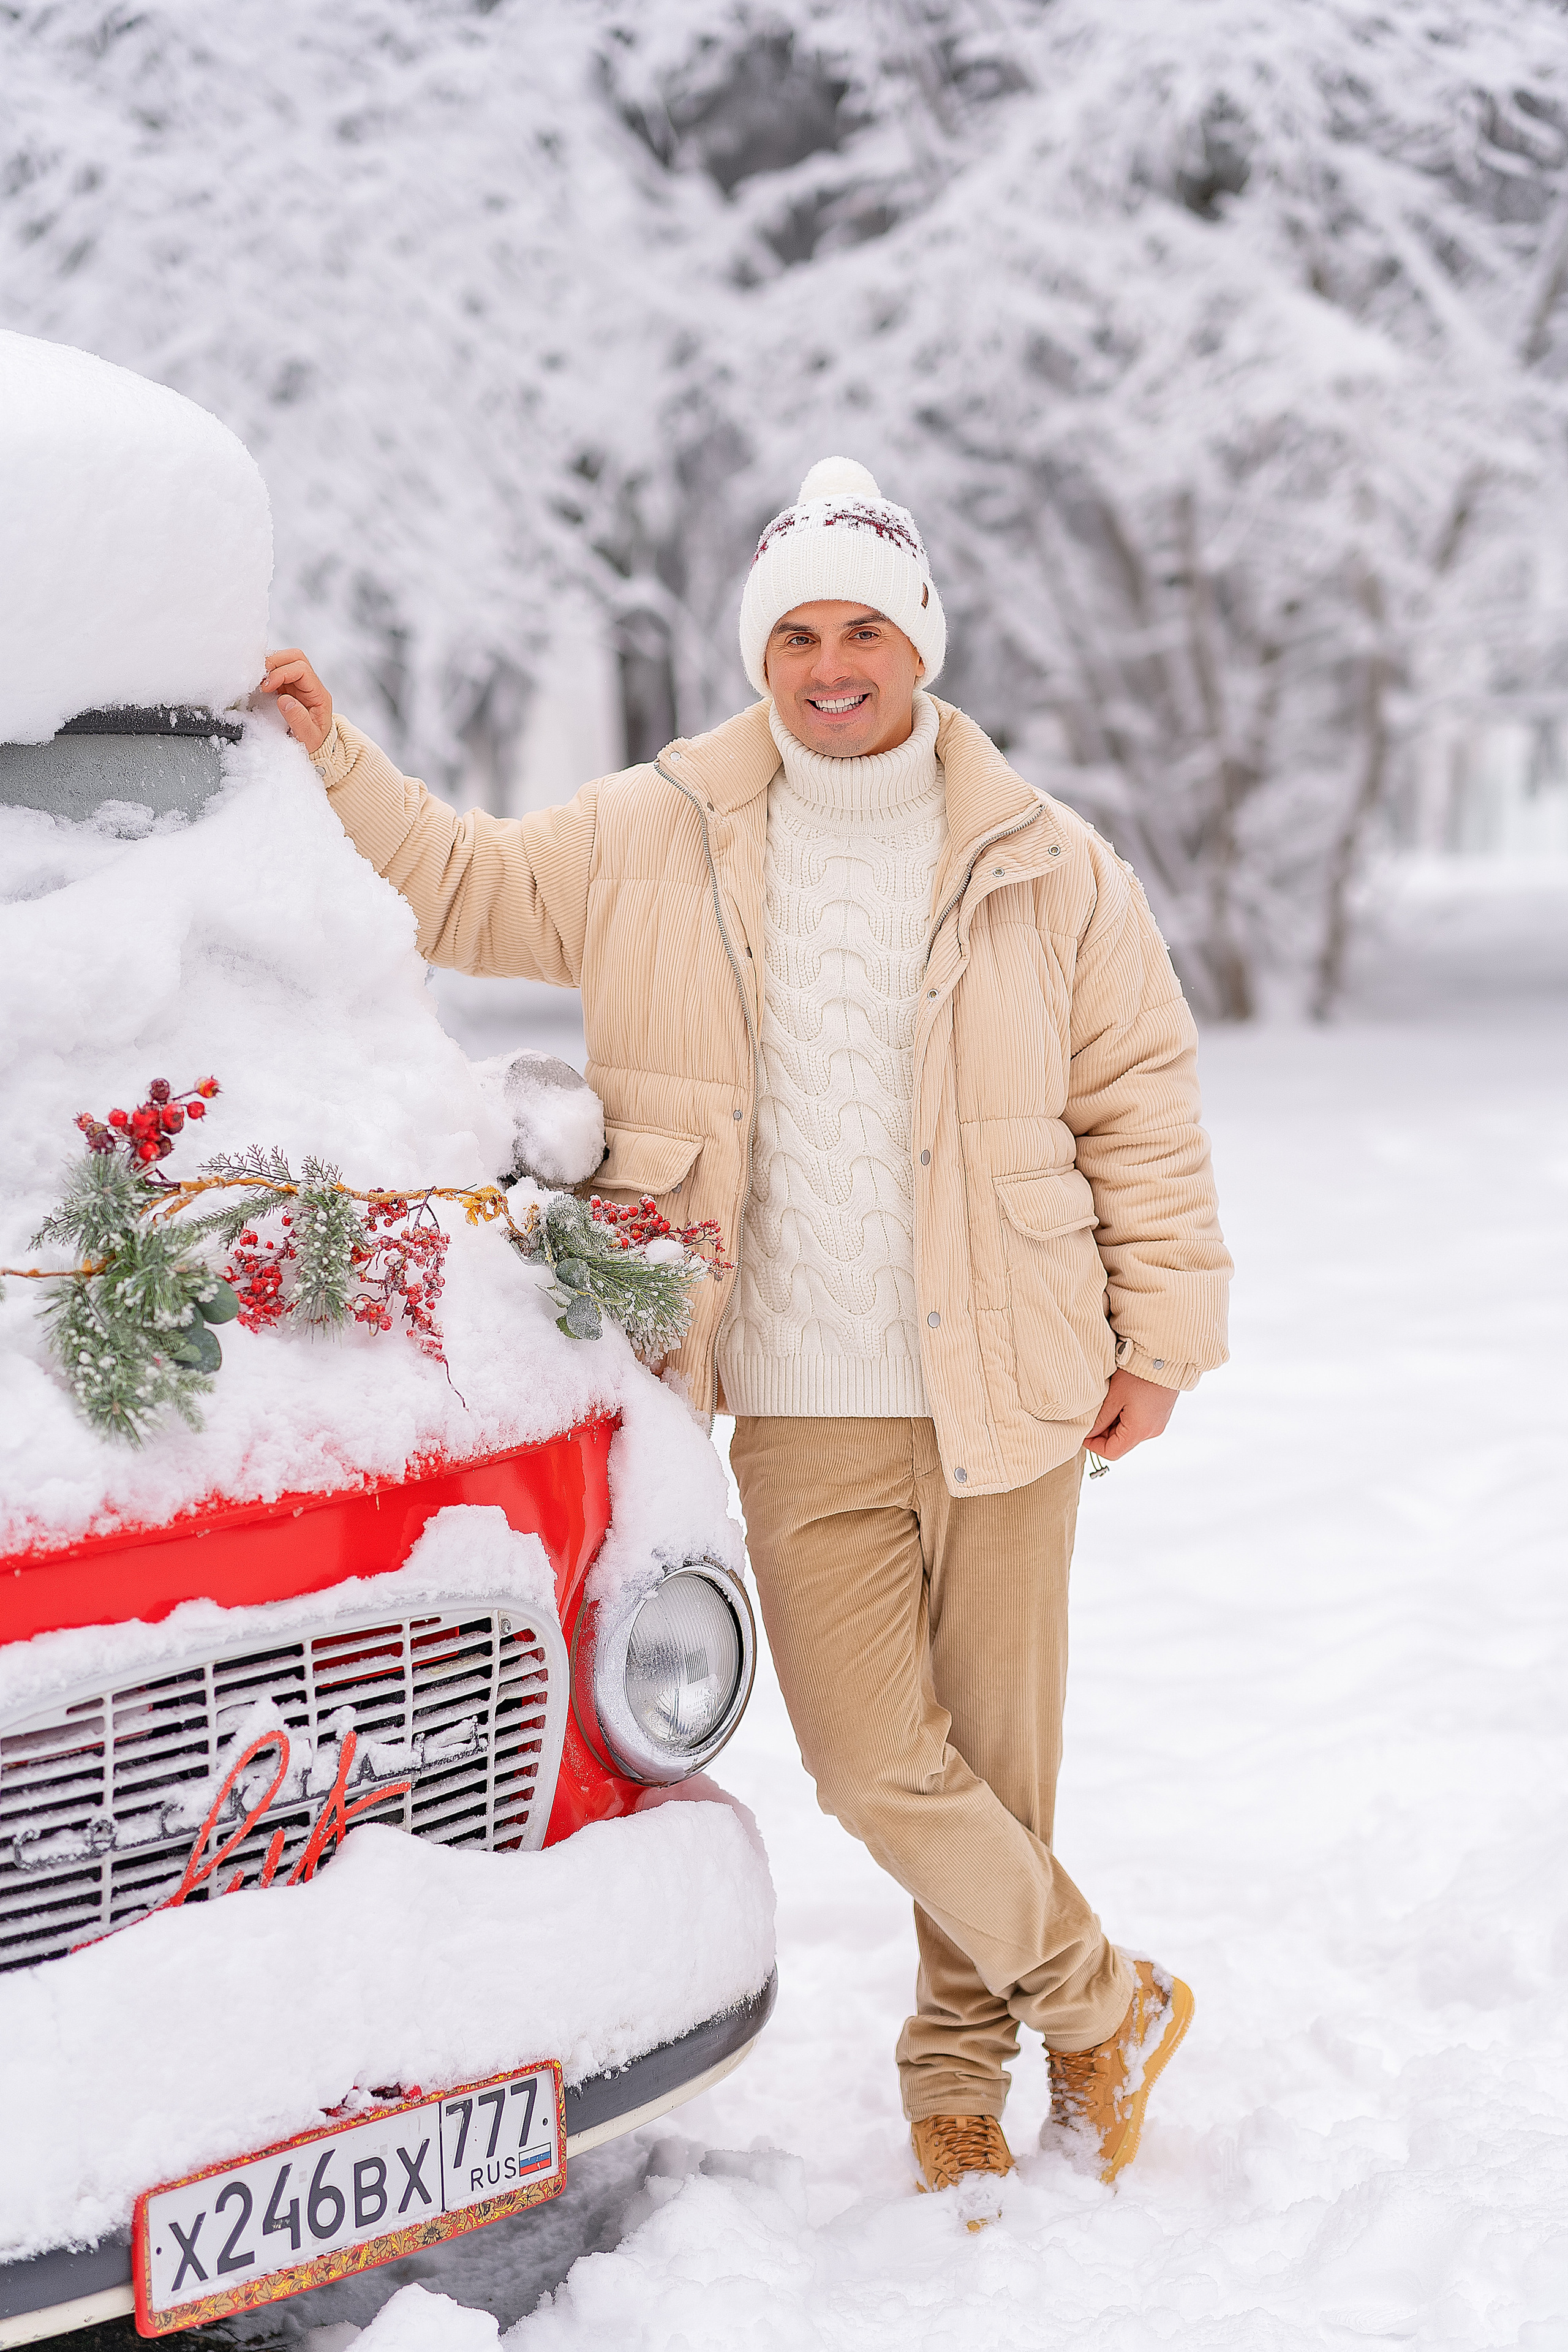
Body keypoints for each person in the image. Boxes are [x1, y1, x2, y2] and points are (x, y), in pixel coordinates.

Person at [262, 456, 1231, 2211]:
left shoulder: (1048, 863)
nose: (831, 665)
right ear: (758, 655)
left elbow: (1140, 1106)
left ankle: (959, 2076)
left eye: (864, 630)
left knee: (997, 1771)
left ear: (919, 645)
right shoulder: (655, 831)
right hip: (793, 1392)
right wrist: (337, 759)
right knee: (877, 1766)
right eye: (798, 635)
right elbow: (461, 888)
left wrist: (1158, 1337)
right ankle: (1111, 2003)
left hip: (1011, 1372)